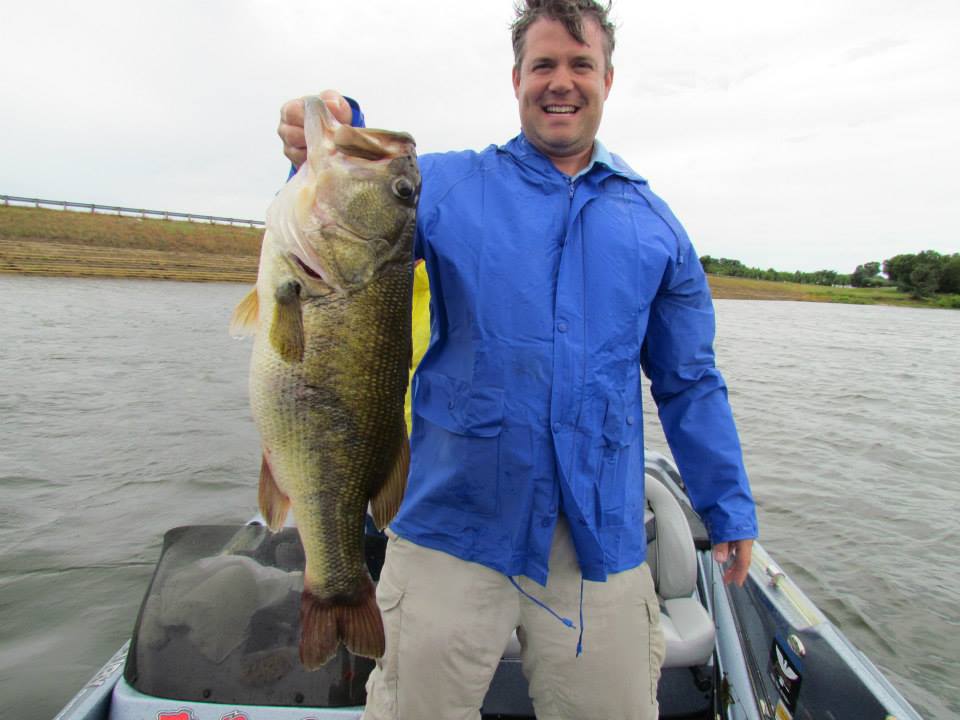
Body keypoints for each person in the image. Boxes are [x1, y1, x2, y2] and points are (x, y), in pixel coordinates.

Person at [277, 2, 758, 718]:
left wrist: (728, 506)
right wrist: (326, 130)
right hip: (451, 524)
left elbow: (689, 384)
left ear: (608, 79)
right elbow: (351, 209)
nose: (560, 82)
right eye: (543, 65)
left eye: (579, 64)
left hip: (600, 542)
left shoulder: (658, 229)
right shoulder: (448, 187)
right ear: (516, 78)